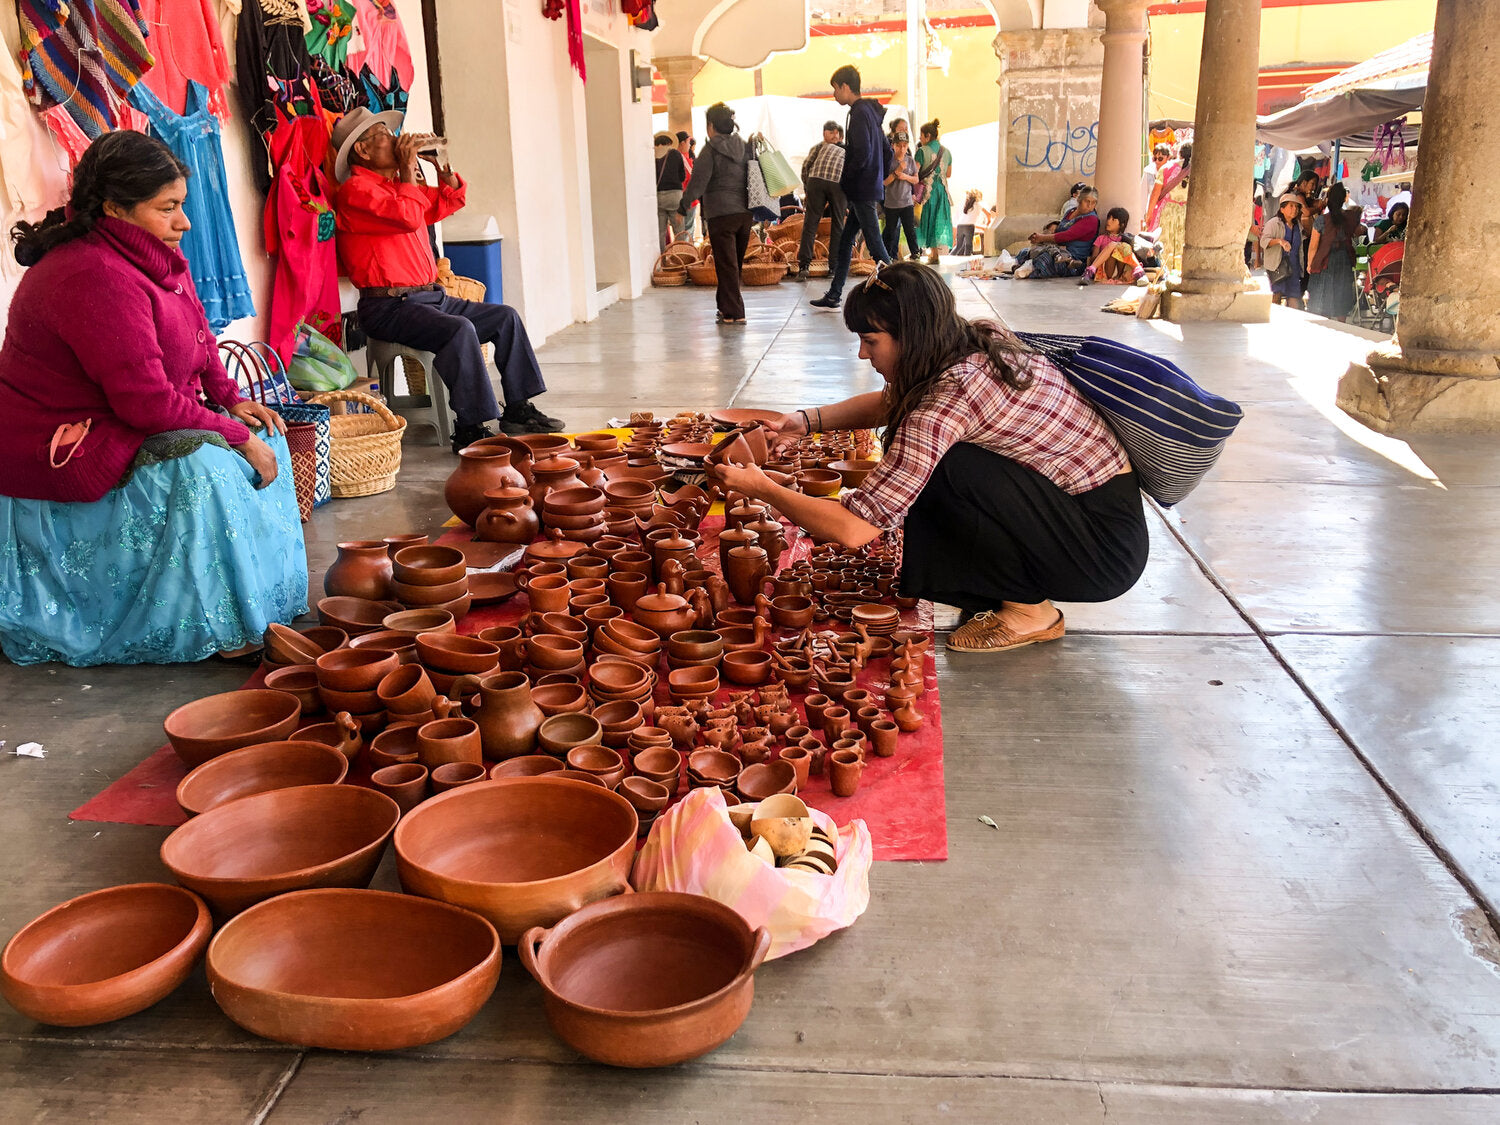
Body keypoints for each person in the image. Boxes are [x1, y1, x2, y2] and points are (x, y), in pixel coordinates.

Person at [706, 262, 1147, 655]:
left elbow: (854, 528)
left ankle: (1030, 612)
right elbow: (895, 400)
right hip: (1091, 518)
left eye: (871, 341)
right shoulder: (976, 341)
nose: (863, 354)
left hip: (1100, 551)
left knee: (943, 468)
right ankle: (1008, 589)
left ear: (910, 336)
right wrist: (806, 421)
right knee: (935, 462)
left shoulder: (953, 395)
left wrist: (763, 488)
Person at [0, 130, 307, 666]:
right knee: (205, 468)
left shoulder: (148, 257)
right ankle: (212, 625)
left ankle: (262, 608)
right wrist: (231, 435)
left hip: (119, 416)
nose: (184, 222)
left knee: (269, 432)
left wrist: (230, 399)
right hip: (58, 442)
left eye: (182, 206)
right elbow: (146, 406)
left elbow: (199, 334)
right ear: (116, 207)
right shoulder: (92, 274)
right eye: (167, 208)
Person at [331, 108, 563, 451]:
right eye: (385, 136)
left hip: (427, 298)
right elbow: (409, 217)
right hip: (388, 305)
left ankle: (517, 408)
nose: (397, 141)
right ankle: (470, 427)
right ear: (363, 151)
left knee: (505, 317)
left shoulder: (396, 187)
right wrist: (409, 169)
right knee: (459, 330)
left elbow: (446, 201)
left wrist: (443, 167)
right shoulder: (355, 191)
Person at [810, 65, 893, 310]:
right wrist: (878, 176)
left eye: (835, 88)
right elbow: (886, 152)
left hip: (862, 189)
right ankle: (835, 293)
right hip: (868, 186)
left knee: (877, 248)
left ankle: (902, 292)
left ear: (846, 87)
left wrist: (848, 179)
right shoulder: (870, 113)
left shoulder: (859, 113)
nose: (834, 94)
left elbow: (863, 153)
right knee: (846, 241)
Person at [680, 101, 753, 326]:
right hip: (744, 213)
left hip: (721, 214)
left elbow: (698, 182)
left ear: (711, 125)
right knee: (733, 264)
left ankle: (734, 313)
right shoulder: (744, 146)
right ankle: (725, 307)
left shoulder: (711, 149)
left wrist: (684, 205)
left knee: (726, 264)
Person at [1004, 186, 1100, 278]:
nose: (1090, 206)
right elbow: (1062, 227)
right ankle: (1018, 267)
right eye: (1087, 201)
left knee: (1045, 260)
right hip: (1057, 249)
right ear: (1079, 200)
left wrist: (1041, 238)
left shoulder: (1091, 219)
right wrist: (1054, 226)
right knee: (1025, 252)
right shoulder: (1071, 211)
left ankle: (1027, 271)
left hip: (1072, 258)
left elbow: (1067, 236)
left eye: (1093, 203)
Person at [796, 120, 846, 282]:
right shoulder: (844, 149)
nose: (835, 136)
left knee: (810, 224)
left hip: (815, 181)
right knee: (838, 224)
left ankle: (804, 266)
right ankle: (834, 267)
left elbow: (806, 168)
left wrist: (808, 188)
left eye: (837, 133)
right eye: (831, 132)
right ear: (824, 133)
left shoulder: (819, 149)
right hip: (836, 183)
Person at [1307, 181, 1358, 320]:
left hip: (1325, 260)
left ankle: (1327, 325)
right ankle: (1341, 324)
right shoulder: (1351, 217)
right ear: (1343, 199)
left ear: (1328, 200)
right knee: (1341, 293)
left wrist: (1310, 264)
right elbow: (1357, 230)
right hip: (1345, 259)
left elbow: (1313, 246)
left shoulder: (1321, 220)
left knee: (1324, 295)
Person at [1146, 143, 1191, 273]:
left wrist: (1149, 215)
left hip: (1166, 211)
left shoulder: (1166, 168)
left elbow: (1155, 194)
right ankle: (1182, 271)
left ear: (1179, 153)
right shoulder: (1197, 170)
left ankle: (1163, 271)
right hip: (1186, 212)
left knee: (1165, 243)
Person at [914, 119, 952, 264]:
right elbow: (948, 174)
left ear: (928, 136)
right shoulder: (946, 151)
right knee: (937, 220)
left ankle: (933, 254)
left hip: (926, 192)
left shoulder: (922, 151)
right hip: (942, 191)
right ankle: (935, 253)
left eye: (921, 135)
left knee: (927, 219)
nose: (920, 138)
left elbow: (915, 172)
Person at [1261, 193, 1304, 309]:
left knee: (1294, 296)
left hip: (1293, 267)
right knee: (1277, 296)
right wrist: (1279, 241)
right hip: (1278, 266)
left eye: (1296, 207)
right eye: (1291, 206)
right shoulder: (1274, 223)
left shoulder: (1297, 226)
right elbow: (1263, 241)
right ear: (1282, 208)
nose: (1294, 209)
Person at [1080, 206, 1144, 285]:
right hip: (1105, 271)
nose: (1108, 221)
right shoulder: (1101, 238)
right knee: (1114, 248)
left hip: (1120, 271)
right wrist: (1107, 253)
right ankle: (1139, 270)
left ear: (1122, 224)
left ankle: (1090, 271)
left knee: (1123, 246)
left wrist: (1116, 249)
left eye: (1113, 220)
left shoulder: (1124, 239)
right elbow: (1094, 257)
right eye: (1108, 218)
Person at [881, 135, 920, 261]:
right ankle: (886, 255)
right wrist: (896, 172)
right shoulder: (888, 161)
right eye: (899, 145)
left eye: (905, 145)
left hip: (907, 202)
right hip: (891, 203)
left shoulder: (910, 161)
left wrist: (905, 176)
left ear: (907, 146)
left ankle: (915, 253)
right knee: (890, 231)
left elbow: (916, 179)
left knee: (909, 229)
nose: (902, 149)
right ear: (893, 146)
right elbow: (884, 183)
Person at [654, 132, 687, 248]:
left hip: (657, 196)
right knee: (679, 231)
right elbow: (682, 176)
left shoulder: (652, 155)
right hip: (675, 196)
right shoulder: (675, 154)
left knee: (660, 232)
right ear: (669, 143)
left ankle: (662, 261)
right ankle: (681, 258)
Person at [952, 189, 989, 256]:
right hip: (969, 227)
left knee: (958, 246)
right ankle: (967, 259)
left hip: (960, 226)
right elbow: (988, 214)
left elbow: (959, 221)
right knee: (968, 245)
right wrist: (988, 222)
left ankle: (950, 257)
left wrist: (954, 238)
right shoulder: (979, 204)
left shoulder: (967, 205)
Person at [1140, 144, 1170, 223]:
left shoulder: (1173, 172)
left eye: (1160, 159)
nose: (1157, 161)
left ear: (1168, 157)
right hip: (1152, 212)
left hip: (1167, 212)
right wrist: (1141, 217)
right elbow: (1143, 196)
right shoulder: (1148, 171)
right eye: (1155, 158)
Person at [678, 132, 699, 238]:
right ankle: (687, 252)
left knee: (684, 228)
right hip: (687, 200)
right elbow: (691, 178)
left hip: (684, 198)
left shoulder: (682, 157)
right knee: (688, 229)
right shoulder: (682, 158)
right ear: (682, 143)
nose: (689, 145)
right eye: (688, 142)